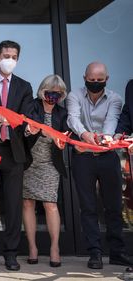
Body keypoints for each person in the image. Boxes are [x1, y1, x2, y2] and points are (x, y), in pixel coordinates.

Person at [67, 62, 133, 269]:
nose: (95, 83)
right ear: (84, 77)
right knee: (88, 207)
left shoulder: (115, 98)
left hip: (107, 156)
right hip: (83, 158)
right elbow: (73, 119)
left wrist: (102, 139)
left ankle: (117, 252)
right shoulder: (74, 95)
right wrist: (85, 135)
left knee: (113, 206)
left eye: (100, 80)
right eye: (92, 80)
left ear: (107, 79)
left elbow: (111, 122)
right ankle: (94, 253)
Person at [0, 40, 33, 271]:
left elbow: (27, 116)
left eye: (13, 56)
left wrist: (17, 122)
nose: (9, 60)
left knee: (13, 206)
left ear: (17, 59)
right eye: (5, 56)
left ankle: (11, 253)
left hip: (13, 152)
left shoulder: (24, 86)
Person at [22, 74, 68, 268]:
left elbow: (66, 135)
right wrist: (29, 130)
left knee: (51, 205)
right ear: (42, 91)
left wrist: (62, 141)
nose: (53, 96)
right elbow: (23, 129)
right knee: (27, 204)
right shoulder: (31, 106)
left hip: (50, 164)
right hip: (29, 163)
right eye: (50, 92)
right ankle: (32, 248)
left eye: (58, 93)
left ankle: (54, 248)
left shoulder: (61, 113)